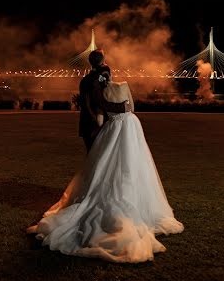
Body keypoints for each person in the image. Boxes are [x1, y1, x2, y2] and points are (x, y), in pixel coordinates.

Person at [27, 67, 183, 263]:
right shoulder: (124, 86)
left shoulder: (101, 92)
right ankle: (131, 194)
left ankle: (107, 190)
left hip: (112, 128)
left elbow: (101, 118)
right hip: (130, 126)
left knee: (104, 163)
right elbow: (131, 107)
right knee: (133, 161)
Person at [78, 49, 125, 152]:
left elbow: (86, 101)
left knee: (93, 159)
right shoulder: (96, 80)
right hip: (94, 126)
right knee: (99, 159)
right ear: (103, 61)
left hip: (87, 125)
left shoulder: (85, 80)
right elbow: (100, 102)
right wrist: (122, 107)